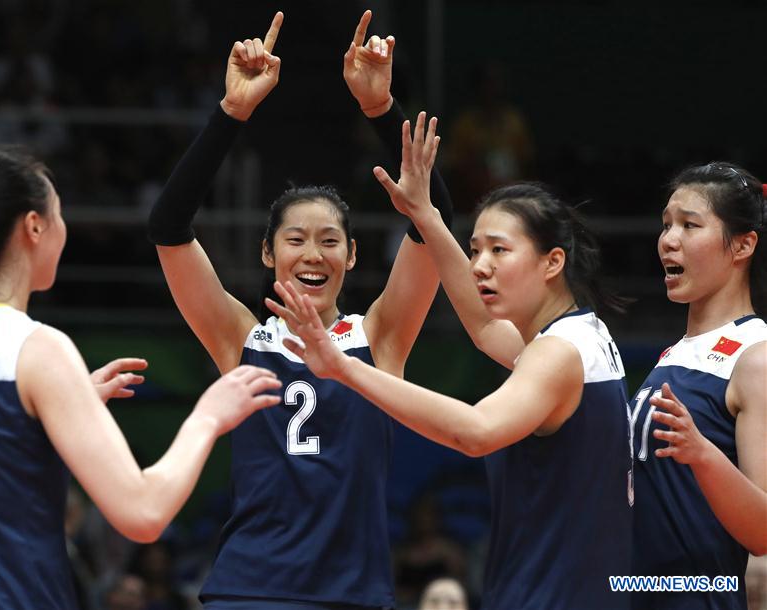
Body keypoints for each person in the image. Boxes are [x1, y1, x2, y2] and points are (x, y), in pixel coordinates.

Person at [0, 147, 281, 610]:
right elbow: (144, 513)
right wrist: (208, 417)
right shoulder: (37, 349)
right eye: (58, 214)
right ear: (34, 226)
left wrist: (47, 412)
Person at [147, 10, 452, 609]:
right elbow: (168, 226)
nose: (313, 254)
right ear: (268, 252)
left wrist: (380, 109)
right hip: (249, 590)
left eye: (330, 240)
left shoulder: (381, 336)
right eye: (295, 239)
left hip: (352, 594)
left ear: (353, 254)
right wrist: (230, 113)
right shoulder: (241, 338)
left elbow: (432, 224)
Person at [267, 113, 632, 609]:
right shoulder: (584, 337)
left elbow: (476, 432)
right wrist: (426, 216)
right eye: (476, 249)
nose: (480, 265)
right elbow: (483, 328)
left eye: (499, 251)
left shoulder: (558, 352)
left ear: (552, 262)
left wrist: (344, 367)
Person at [629, 163, 767, 610]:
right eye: (667, 224)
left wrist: (702, 453)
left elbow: (763, 532)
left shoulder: (757, 356)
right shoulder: (675, 355)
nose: (669, 239)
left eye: (690, 225)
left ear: (743, 245)